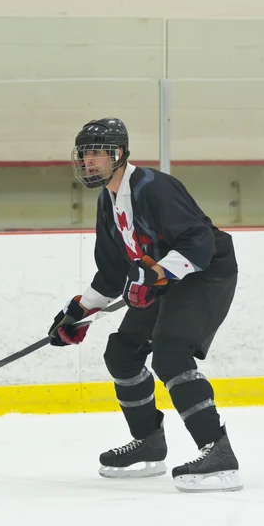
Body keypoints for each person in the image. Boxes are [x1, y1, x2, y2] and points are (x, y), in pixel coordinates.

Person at [48, 117, 242, 493]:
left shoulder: (154, 187)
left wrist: (153, 276)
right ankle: (150, 443)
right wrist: (77, 314)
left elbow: (198, 242)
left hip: (204, 274)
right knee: (121, 353)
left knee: (170, 353)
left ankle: (218, 451)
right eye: (85, 154)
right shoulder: (108, 203)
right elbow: (111, 272)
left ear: (118, 155)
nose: (88, 161)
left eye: (97, 154)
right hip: (164, 279)